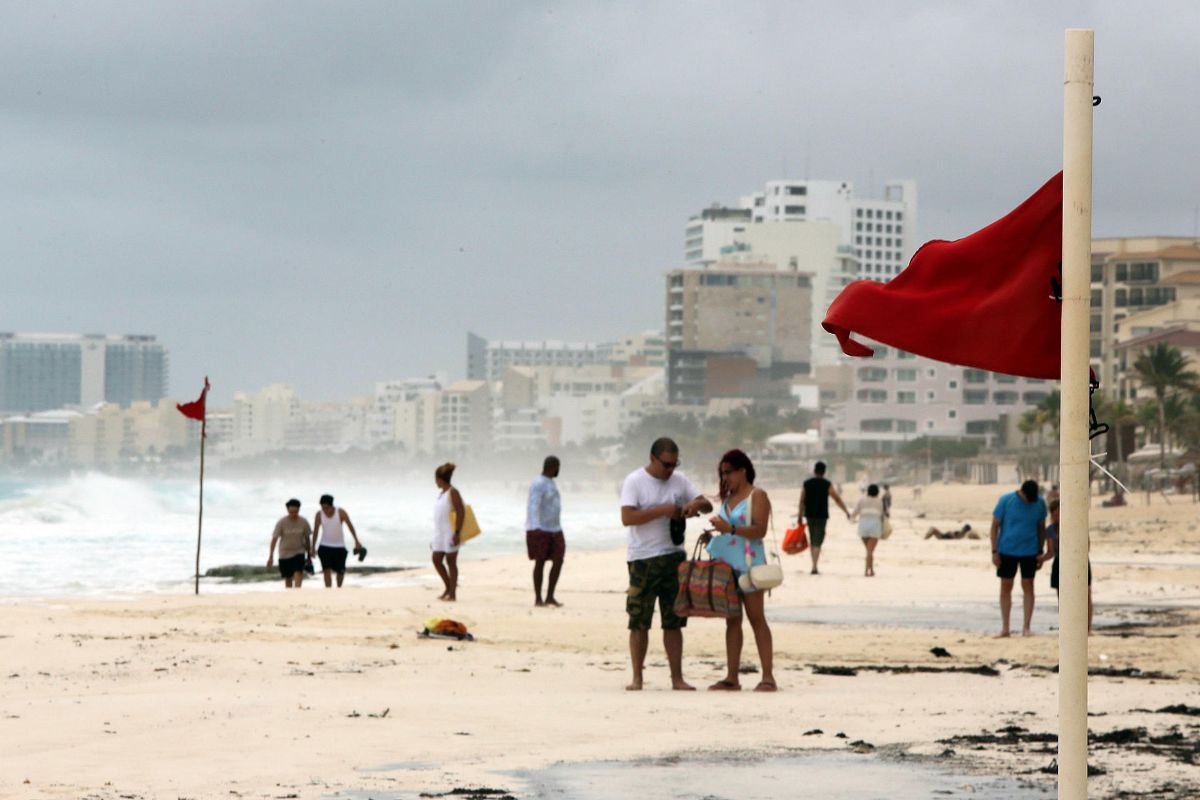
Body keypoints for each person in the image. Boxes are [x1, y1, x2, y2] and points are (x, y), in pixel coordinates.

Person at [620, 437, 713, 691]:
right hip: (642, 559)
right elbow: (627, 517)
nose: (671, 469)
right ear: (653, 458)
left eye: (675, 464)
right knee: (639, 621)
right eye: (666, 464)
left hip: (674, 557)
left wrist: (694, 504)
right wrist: (663, 510)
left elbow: (707, 505)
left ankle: (677, 678)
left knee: (674, 621)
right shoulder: (634, 481)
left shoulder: (680, 480)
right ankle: (637, 677)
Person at [699, 449, 777, 692]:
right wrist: (714, 535)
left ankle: (768, 677)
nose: (725, 477)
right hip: (726, 567)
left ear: (743, 471)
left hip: (749, 565)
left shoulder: (757, 495)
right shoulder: (728, 498)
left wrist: (729, 528)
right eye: (722, 473)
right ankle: (732, 677)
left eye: (729, 472)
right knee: (732, 621)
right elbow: (729, 531)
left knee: (756, 619)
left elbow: (760, 530)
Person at [990, 480, 1048, 637]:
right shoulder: (1006, 500)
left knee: (1028, 585)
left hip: (1030, 551)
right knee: (1006, 586)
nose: (1030, 502)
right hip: (1006, 550)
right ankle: (1005, 628)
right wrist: (994, 551)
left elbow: (1041, 528)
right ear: (1022, 493)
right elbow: (995, 525)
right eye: (1028, 499)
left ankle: (1026, 627)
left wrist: (1040, 550)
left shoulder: (1040, 503)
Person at [1043, 499, 1093, 634]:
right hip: (1060, 563)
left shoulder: (1078, 525)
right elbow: (1050, 552)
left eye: (1059, 513)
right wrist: (1040, 559)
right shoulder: (1051, 530)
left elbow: (1086, 546)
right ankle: (1068, 627)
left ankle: (1087, 627)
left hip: (1079, 561)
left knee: (1085, 594)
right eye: (1055, 514)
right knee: (1062, 596)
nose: (1057, 516)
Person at [798, 461, 851, 575]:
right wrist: (846, 511)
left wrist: (799, 516)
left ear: (814, 471)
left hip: (809, 515)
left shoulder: (807, 483)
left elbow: (802, 500)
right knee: (818, 540)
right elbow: (836, 499)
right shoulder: (827, 484)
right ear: (824, 472)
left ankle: (813, 565)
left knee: (812, 538)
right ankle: (814, 566)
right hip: (821, 516)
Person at [526, 455, 565, 607]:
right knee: (540, 562)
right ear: (553, 467)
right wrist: (535, 526)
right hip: (541, 528)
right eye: (558, 467)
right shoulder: (538, 483)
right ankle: (538, 598)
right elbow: (533, 505)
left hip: (555, 528)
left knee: (558, 560)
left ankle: (550, 596)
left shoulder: (551, 482)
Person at [312, 494, 362, 589]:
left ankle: (338, 588)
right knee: (326, 570)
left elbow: (350, 526)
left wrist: (356, 540)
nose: (324, 510)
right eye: (322, 507)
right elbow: (316, 531)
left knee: (341, 571)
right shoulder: (319, 514)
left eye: (326, 508)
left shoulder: (340, 512)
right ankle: (329, 591)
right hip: (324, 546)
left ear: (332, 506)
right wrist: (313, 547)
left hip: (339, 546)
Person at [432, 463, 464, 601]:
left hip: (451, 532)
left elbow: (461, 512)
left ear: (440, 479)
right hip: (439, 533)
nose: (435, 482)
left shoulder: (453, 492)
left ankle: (453, 593)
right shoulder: (441, 494)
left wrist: (457, 533)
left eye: (436, 479)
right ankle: (448, 587)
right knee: (436, 559)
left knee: (451, 562)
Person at [267, 498, 313, 589]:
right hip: (284, 554)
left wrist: (309, 555)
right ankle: (290, 594)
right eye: (291, 512)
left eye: (296, 512)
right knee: (288, 578)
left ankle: (297, 592)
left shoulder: (304, 522)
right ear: (287, 510)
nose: (293, 514)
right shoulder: (281, 522)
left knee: (298, 571)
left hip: (299, 551)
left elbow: (307, 539)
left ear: (299, 510)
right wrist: (271, 556)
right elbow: (274, 539)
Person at [850, 484, 884, 577]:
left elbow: (855, 512)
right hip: (875, 527)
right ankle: (867, 570)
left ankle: (871, 570)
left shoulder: (862, 500)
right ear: (877, 492)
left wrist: (851, 519)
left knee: (869, 550)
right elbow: (882, 515)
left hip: (863, 527)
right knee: (870, 551)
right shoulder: (879, 501)